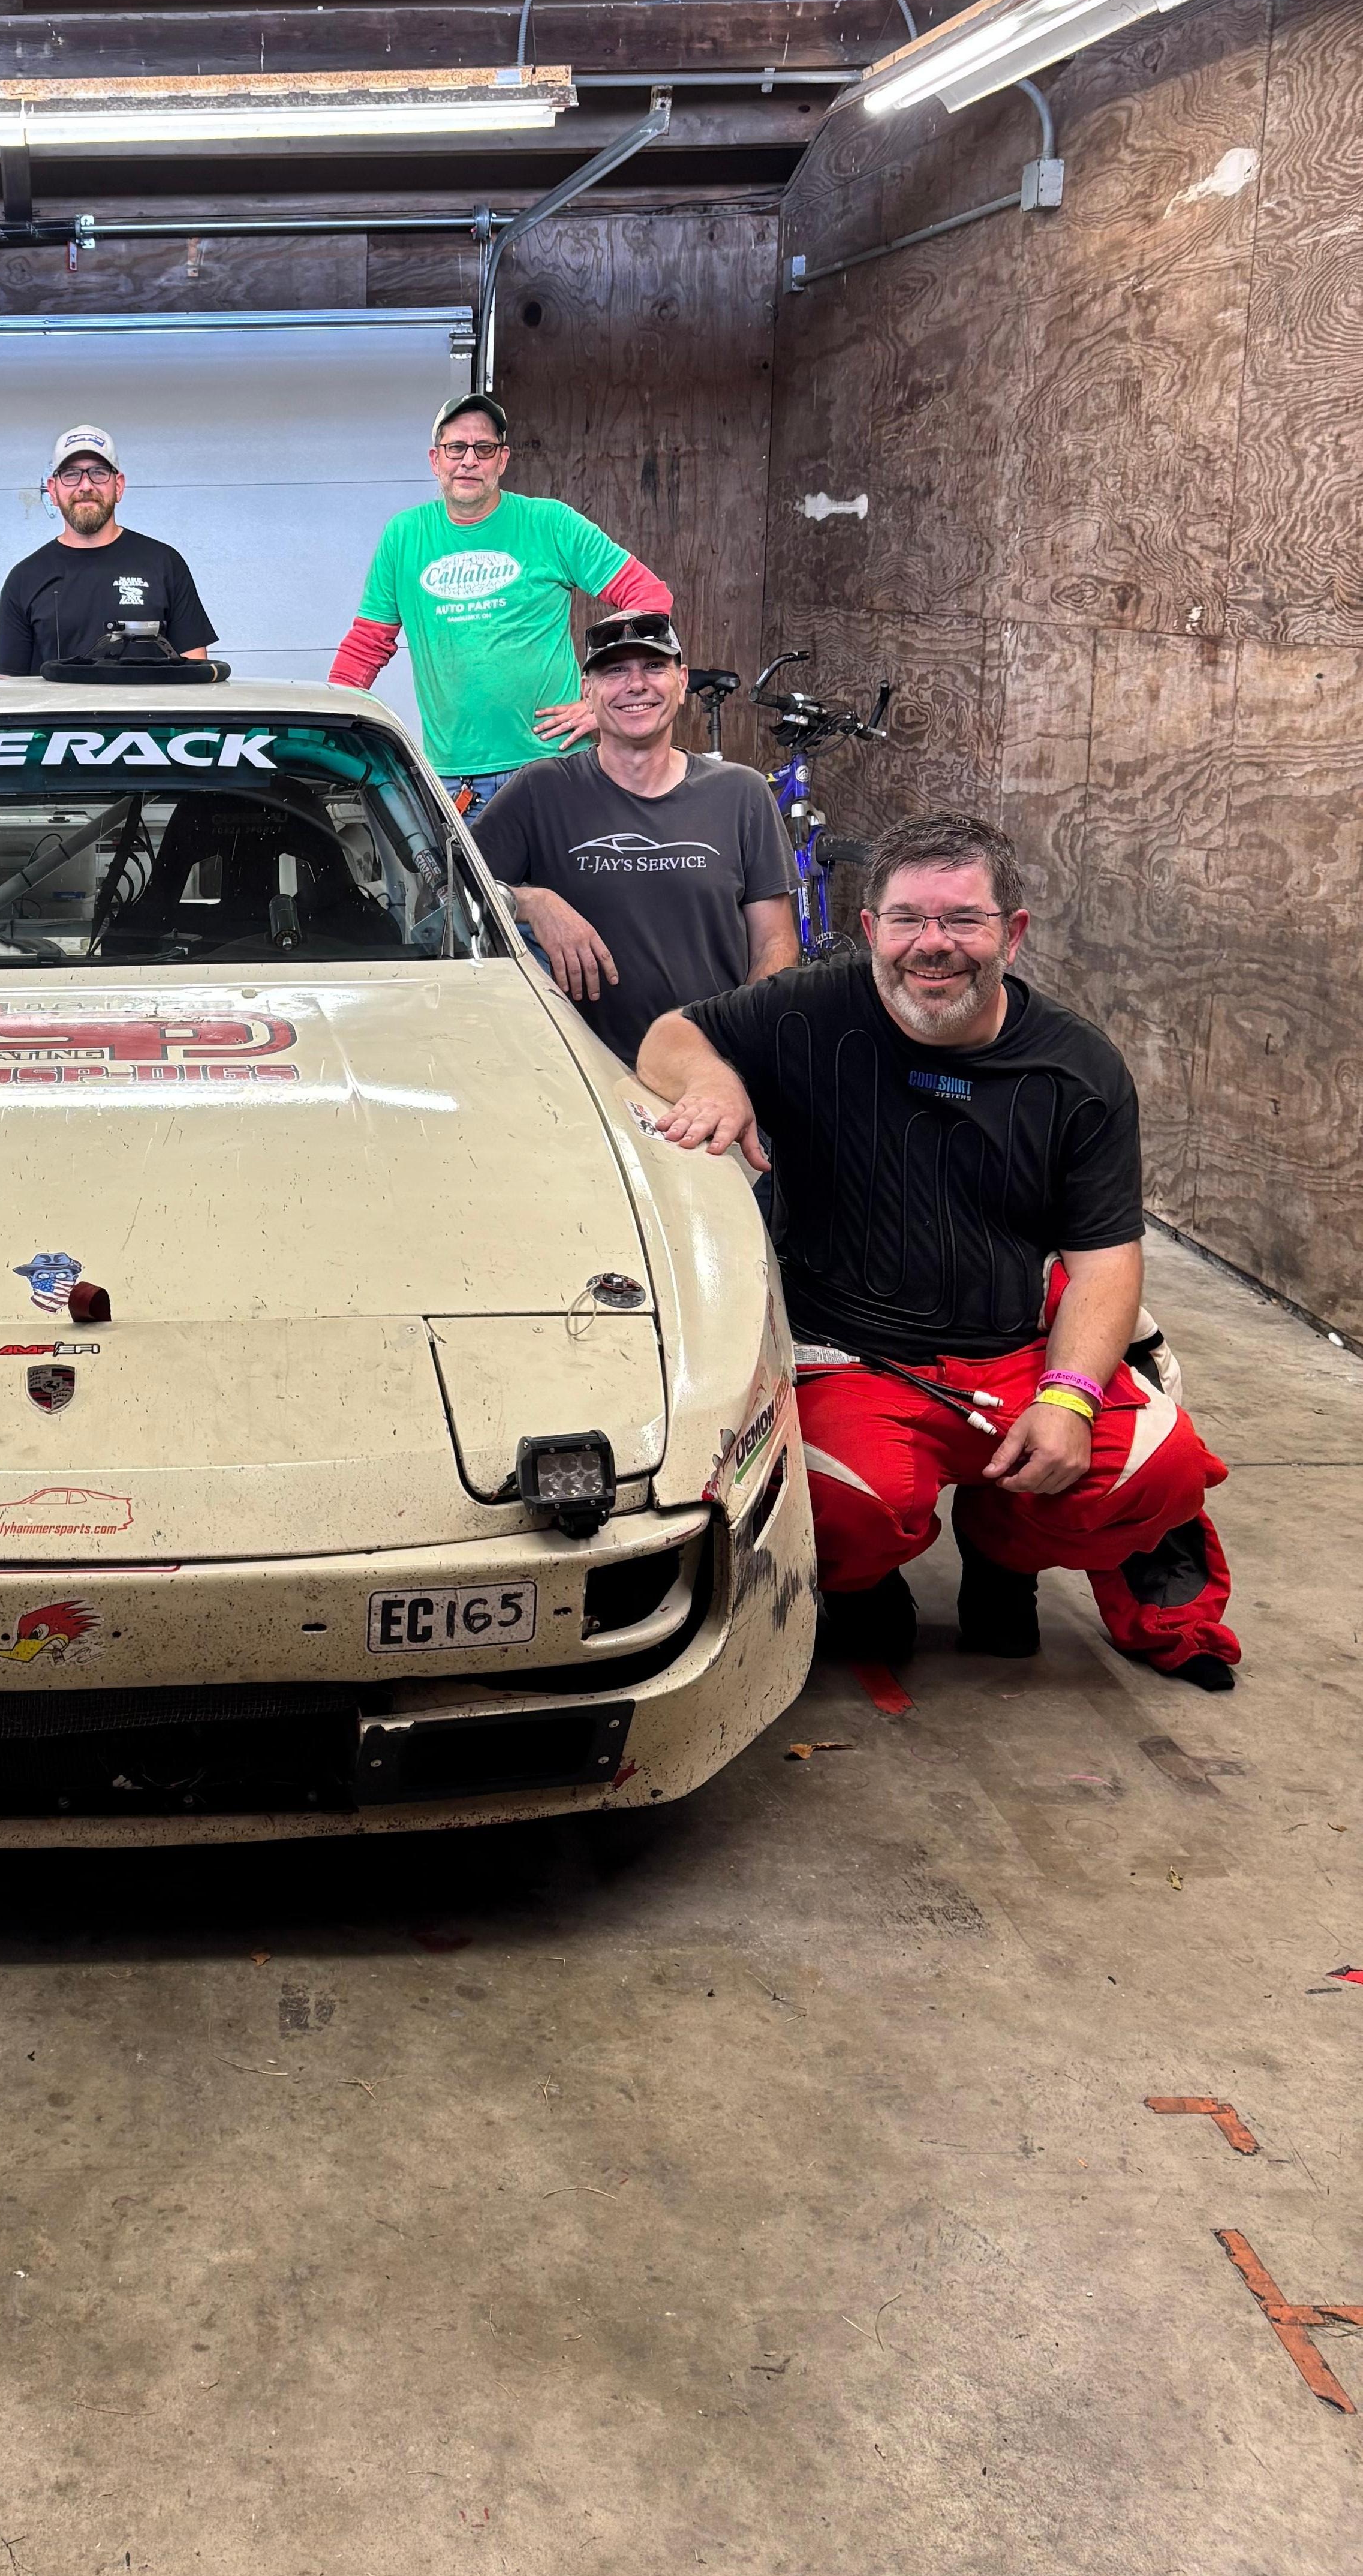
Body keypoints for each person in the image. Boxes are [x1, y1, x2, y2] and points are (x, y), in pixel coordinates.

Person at [636, 810, 1238, 1690]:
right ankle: (866, 1584)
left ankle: (1004, 1549)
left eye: (964, 919)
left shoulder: (1080, 1070)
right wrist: (716, 1083)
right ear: (871, 928)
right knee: (830, 1510)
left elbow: (1106, 1261)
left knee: (1162, 1472)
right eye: (910, 919)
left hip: (1014, 1351)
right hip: (853, 1356)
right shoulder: (810, 1007)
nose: (934, 944)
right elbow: (671, 1035)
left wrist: (1070, 1398)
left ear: (1013, 934)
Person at [468, 609, 797, 1066]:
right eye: (615, 670)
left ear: (682, 682)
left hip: (709, 1069)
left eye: (654, 666)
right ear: (587, 691)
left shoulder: (742, 793)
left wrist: (742, 1046)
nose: (636, 684)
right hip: (579, 1075)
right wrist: (531, 902)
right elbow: (449, 893)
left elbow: (774, 944)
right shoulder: (540, 791)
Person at [331, 389, 672, 810]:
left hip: (553, 765)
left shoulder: (550, 523)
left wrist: (600, 704)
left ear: (503, 459)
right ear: (436, 460)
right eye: (456, 448)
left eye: (484, 448)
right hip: (455, 779)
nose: (469, 460)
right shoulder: (404, 536)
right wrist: (327, 721)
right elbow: (367, 644)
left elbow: (649, 598)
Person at [0, 425, 216, 672]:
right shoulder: (24, 578)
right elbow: (8, 684)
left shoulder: (165, 563)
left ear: (118, 486)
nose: (85, 486)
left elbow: (197, 672)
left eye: (98, 473)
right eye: (71, 475)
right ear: (53, 490)